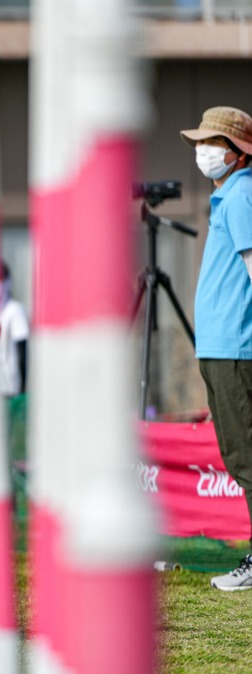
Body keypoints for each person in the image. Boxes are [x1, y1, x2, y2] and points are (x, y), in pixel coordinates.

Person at [180, 106, 252, 591]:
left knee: (244, 453)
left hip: (236, 347)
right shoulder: (230, 195)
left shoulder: (243, 194)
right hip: (223, 346)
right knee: (239, 451)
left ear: (237, 152)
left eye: (212, 143)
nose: (202, 151)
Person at [0, 260, 29, 398]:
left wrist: (23, 387)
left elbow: (23, 350)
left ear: (7, 283)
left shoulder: (14, 310)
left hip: (11, 388)